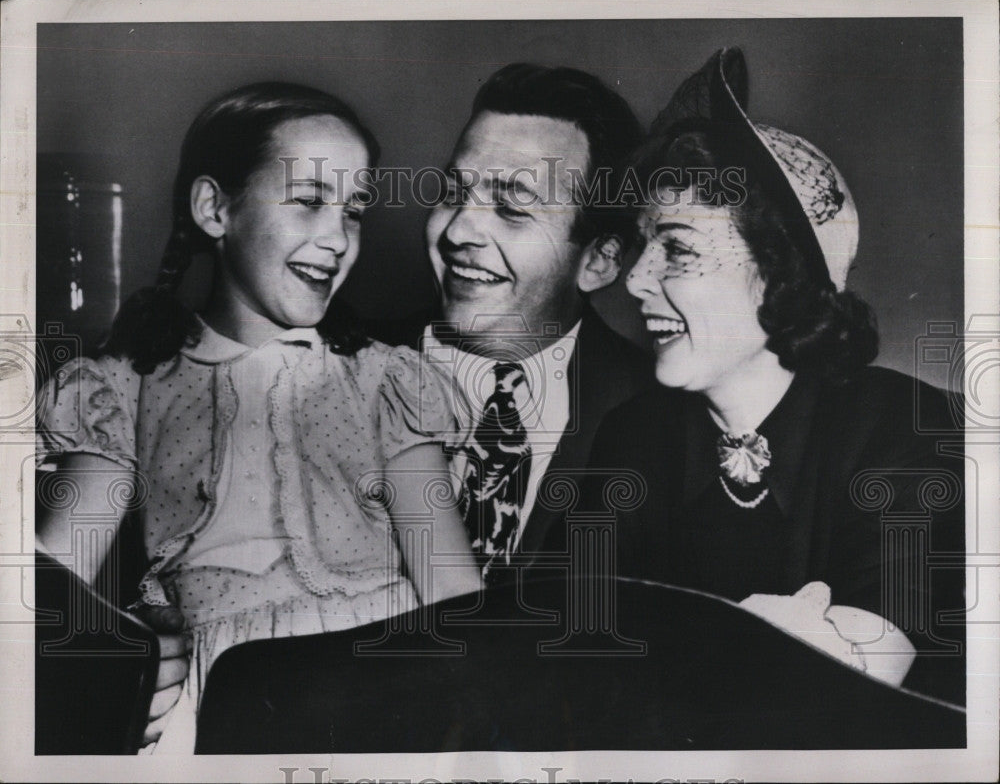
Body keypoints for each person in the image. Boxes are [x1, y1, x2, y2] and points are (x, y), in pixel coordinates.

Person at [35, 81, 481, 751]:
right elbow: (46, 596)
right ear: (215, 208)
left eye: (354, 210)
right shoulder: (126, 386)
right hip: (220, 710)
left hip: (391, 689)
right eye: (308, 201)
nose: (337, 239)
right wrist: (135, 647)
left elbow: (456, 600)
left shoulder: (384, 381)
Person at [585, 48, 965, 704]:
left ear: (781, 273)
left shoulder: (908, 433)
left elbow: (845, 698)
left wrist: (671, 656)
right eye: (643, 245)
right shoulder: (630, 438)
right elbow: (565, 674)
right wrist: (757, 640)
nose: (637, 278)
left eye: (676, 246)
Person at [419, 63, 654, 583]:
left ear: (599, 261)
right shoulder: (336, 373)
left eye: (511, 208)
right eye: (454, 193)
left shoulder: (661, 412)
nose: (459, 231)